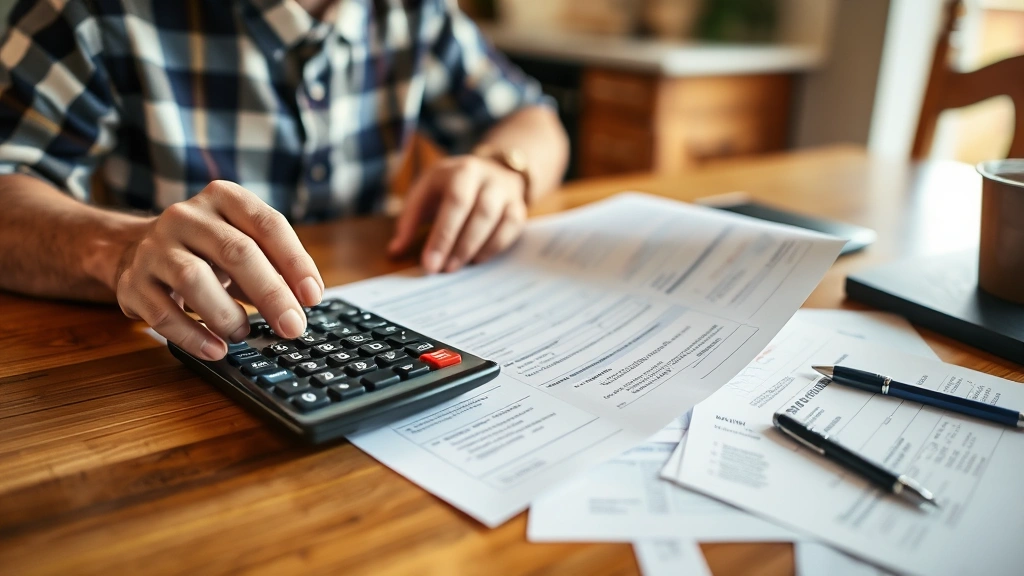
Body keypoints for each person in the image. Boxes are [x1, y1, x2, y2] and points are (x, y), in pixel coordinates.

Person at [0, 0, 569, 361]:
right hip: (165, 364)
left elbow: (534, 119)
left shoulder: (418, 12)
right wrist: (119, 247)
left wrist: (504, 168)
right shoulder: (84, 13)